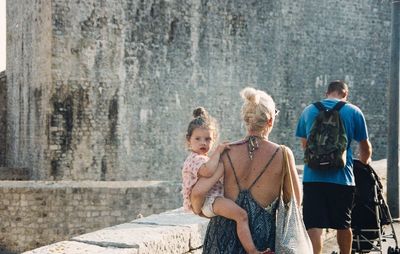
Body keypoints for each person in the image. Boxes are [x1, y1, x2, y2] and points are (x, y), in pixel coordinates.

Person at [195, 87, 301, 253]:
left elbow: (199, 192)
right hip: (261, 240)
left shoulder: (226, 151)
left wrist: (202, 211)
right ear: (270, 121)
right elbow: (294, 202)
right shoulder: (283, 155)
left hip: (220, 237)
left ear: (246, 119)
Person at [295, 80, 373, 254]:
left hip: (312, 177)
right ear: (345, 94)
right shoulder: (353, 111)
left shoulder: (309, 110)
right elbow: (365, 146)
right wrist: (364, 162)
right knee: (343, 224)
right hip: (342, 179)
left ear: (326, 93)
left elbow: (305, 145)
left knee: (314, 224)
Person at [181, 107, 265, 254]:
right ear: (189, 140)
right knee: (242, 215)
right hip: (210, 201)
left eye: (208, 139)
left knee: (241, 215)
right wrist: (219, 152)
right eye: (198, 139)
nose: (203, 143)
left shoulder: (204, 158)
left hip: (211, 199)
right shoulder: (194, 159)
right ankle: (252, 250)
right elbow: (208, 171)